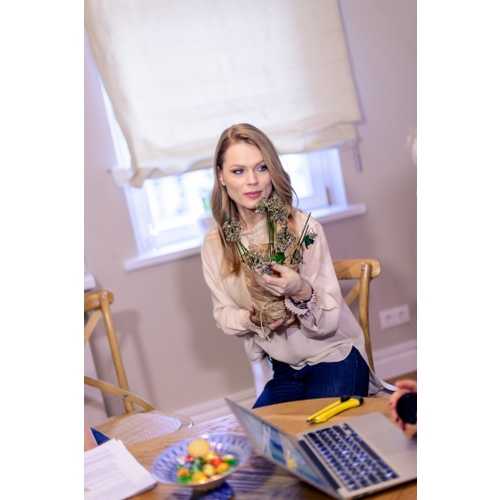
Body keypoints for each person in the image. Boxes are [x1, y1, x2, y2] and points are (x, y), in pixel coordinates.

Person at [201, 123, 384, 408]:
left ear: (273, 171)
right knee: (262, 436)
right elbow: (223, 314)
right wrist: (252, 320)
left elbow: (328, 325)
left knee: (319, 432)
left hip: (334, 357)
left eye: (262, 168)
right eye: (238, 171)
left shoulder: (302, 228)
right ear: (221, 176)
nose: (253, 181)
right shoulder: (216, 244)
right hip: (285, 372)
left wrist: (300, 289)